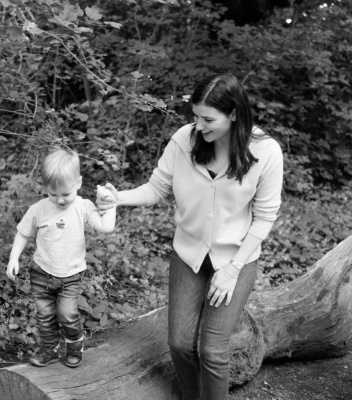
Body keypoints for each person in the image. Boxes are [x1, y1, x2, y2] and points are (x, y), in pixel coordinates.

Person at [96, 74, 283, 399]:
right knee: (180, 344)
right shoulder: (184, 140)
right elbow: (157, 188)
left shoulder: (266, 152)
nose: (198, 125)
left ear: (234, 114)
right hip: (188, 255)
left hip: (236, 259)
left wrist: (233, 269)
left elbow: (265, 218)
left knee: (212, 350)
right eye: (195, 116)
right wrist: (119, 198)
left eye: (208, 119)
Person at [7, 147, 116, 368]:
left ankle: (75, 345)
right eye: (53, 194)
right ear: (46, 189)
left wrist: (110, 204)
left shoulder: (83, 208)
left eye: (66, 194)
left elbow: (106, 227)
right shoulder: (39, 209)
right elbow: (23, 233)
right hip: (41, 273)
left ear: (78, 182)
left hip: (71, 275)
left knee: (66, 314)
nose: (60, 200)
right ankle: (50, 349)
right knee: (45, 315)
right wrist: (13, 258)